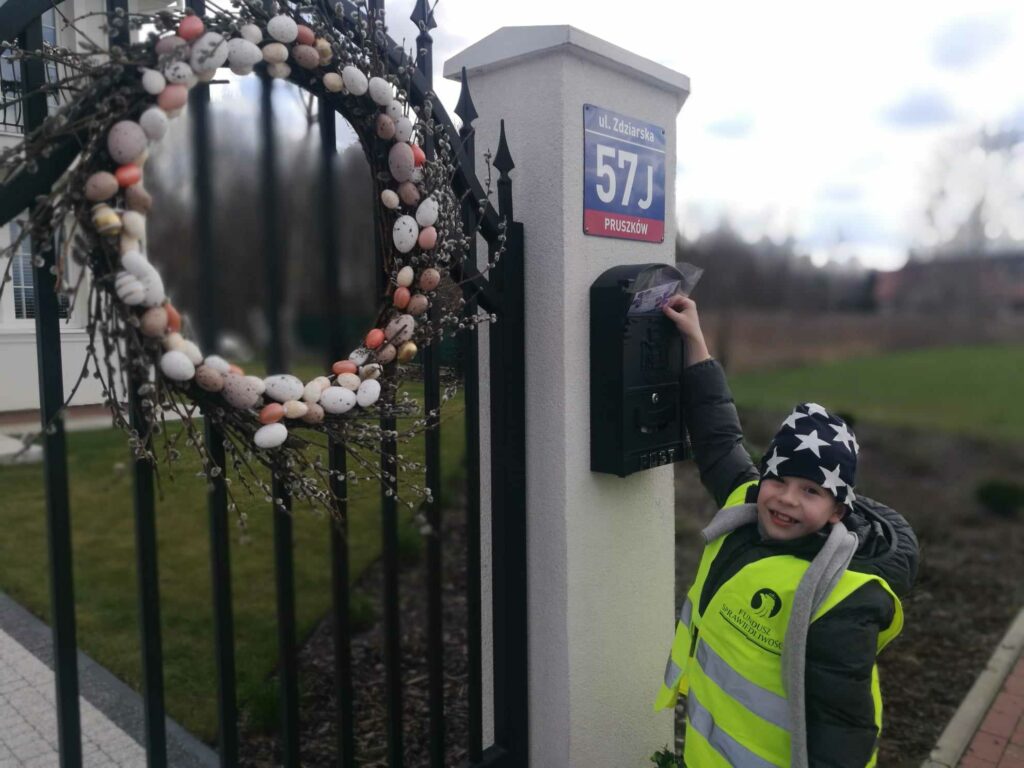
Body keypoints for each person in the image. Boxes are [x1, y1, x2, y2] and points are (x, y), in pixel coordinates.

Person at [653, 294, 918, 768]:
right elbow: (717, 434)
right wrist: (694, 339)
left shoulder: (842, 599)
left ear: (837, 511)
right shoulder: (747, 505)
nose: (787, 499)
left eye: (811, 491)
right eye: (778, 480)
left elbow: (843, 725)